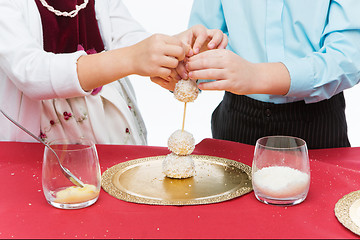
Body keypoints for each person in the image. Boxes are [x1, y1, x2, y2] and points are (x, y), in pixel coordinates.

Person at [0, 0, 227, 144]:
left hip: (109, 128)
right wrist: (132, 58)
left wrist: (177, 51)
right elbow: (31, 72)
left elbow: (131, 39)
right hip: (44, 139)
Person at [180, 0, 360, 149]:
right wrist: (181, 67)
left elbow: (349, 58)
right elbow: (201, 40)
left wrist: (256, 75)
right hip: (236, 119)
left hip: (319, 124)